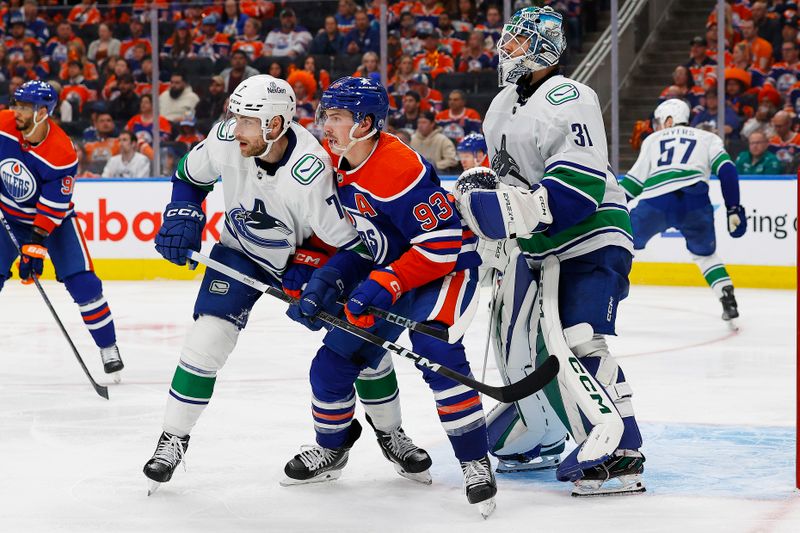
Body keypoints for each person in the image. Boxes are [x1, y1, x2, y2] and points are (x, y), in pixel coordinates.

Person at [142, 75, 430, 495]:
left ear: (275, 125)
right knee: (206, 341)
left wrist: (313, 269)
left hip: (297, 259)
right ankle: (172, 438)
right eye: (235, 117)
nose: (234, 128)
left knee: (358, 343)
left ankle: (390, 432)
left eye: (247, 121)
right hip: (240, 250)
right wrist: (183, 212)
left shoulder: (311, 171)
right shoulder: (226, 138)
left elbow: (352, 244)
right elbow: (189, 176)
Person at [454, 6, 645, 497]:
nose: (506, 49)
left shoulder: (569, 95)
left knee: (579, 336)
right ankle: (537, 431)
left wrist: (508, 211)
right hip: (539, 244)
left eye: (518, 42)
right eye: (508, 40)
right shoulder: (500, 105)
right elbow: (509, 179)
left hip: (592, 232)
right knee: (516, 341)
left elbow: (575, 189)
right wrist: (486, 204)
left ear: (545, 50)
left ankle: (622, 453)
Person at [285, 76, 496, 517]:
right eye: (326, 115)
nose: (327, 125)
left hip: (444, 268)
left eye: (337, 117)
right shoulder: (337, 161)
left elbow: (439, 245)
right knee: (331, 363)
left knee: (436, 352)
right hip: (396, 264)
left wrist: (386, 284)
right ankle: (332, 449)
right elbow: (365, 239)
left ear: (365, 123)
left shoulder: (399, 168)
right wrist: (328, 278)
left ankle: (475, 462)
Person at [0, 81, 124, 376]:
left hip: (53, 224)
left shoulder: (61, 151)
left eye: (23, 107)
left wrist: (34, 248)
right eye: (15, 105)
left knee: (85, 285)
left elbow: (53, 206)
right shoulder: (4, 123)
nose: (15, 111)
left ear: (42, 112)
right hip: (7, 217)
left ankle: (108, 347)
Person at [621, 99, 746, 324]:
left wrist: (608, 207)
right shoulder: (709, 138)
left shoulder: (653, 139)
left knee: (623, 244)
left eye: (659, 122)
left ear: (669, 120)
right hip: (695, 201)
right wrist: (733, 207)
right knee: (705, 255)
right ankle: (726, 295)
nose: (658, 127)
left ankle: (604, 296)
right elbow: (727, 169)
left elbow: (633, 184)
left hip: (656, 201)